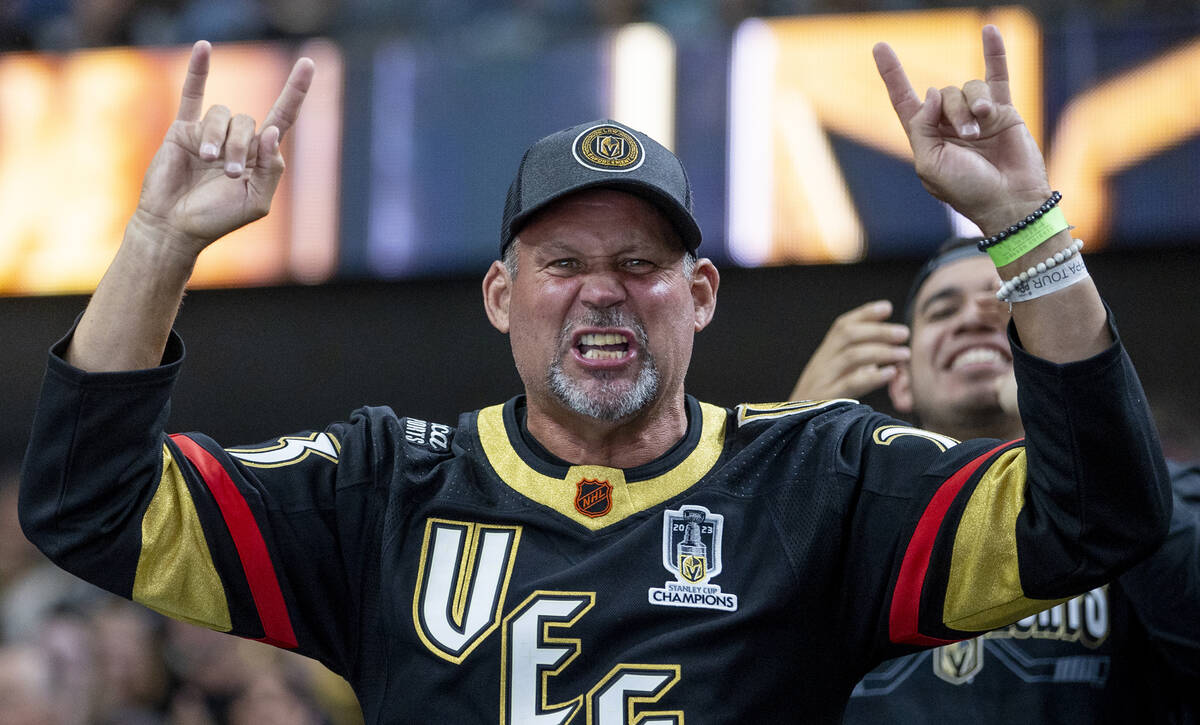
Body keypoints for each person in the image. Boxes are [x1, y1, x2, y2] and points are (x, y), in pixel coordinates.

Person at [19, 27, 1172, 722]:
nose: (603, 290)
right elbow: (88, 499)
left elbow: (1106, 508)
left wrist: (1026, 226)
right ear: (500, 298)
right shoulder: (382, 488)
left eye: (641, 263)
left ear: (702, 296)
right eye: (561, 262)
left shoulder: (821, 479)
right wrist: (161, 242)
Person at [791, 237, 1200, 721]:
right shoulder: (843, 513)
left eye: (1005, 303)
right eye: (943, 312)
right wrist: (792, 450)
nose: (972, 320)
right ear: (900, 380)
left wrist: (1087, 435)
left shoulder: (1166, 491)